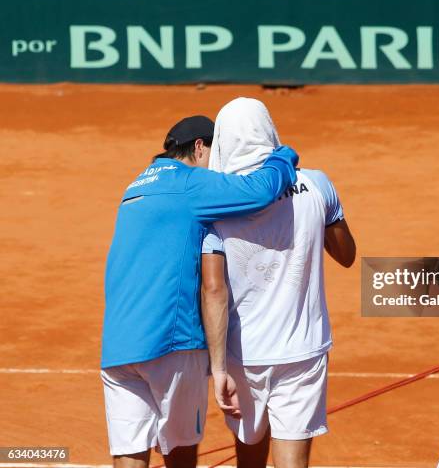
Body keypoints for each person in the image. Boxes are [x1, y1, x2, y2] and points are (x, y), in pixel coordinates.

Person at [101, 114, 299, 468]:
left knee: (130, 452)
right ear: (198, 147)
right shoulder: (191, 183)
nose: (219, 166)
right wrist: (284, 155)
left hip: (119, 347)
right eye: (216, 154)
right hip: (171, 343)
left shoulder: (134, 187)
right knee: (181, 453)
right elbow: (261, 191)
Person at [202, 98, 356, 468]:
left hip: (244, 356)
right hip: (304, 351)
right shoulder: (316, 184)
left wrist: (218, 366)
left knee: (249, 462)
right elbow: (347, 255)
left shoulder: (212, 205)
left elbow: (213, 289)